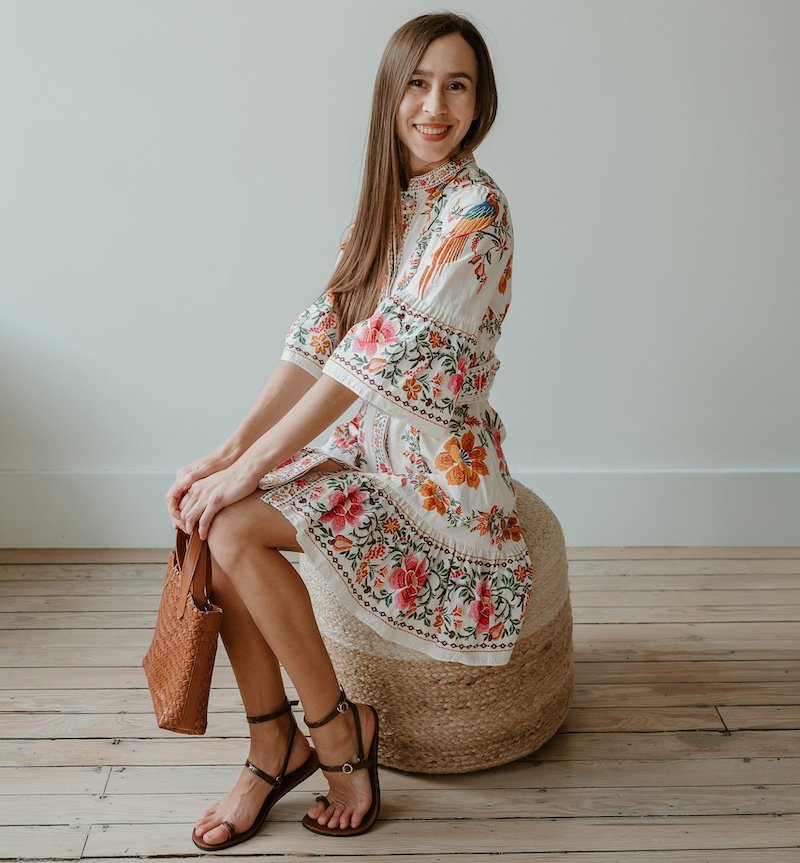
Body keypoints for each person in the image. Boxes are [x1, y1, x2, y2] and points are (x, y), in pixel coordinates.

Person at [167, 10, 533, 851]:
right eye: (418, 83)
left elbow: (368, 366)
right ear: (390, 94)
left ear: (480, 103)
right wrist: (224, 455)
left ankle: (334, 735)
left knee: (231, 520)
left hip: (438, 474)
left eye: (457, 85)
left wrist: (250, 468)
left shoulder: (476, 212)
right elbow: (319, 340)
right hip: (365, 449)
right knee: (212, 511)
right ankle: (276, 744)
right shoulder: (388, 207)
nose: (435, 106)